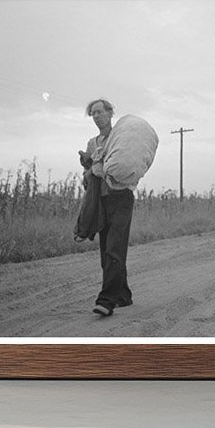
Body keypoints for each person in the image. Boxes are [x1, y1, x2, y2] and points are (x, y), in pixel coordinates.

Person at [79, 98, 136, 317]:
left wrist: (99, 168)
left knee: (114, 249)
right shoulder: (92, 143)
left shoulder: (120, 138)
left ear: (110, 113)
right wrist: (89, 172)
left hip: (121, 198)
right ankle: (123, 295)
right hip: (102, 201)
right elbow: (89, 176)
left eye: (100, 112)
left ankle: (107, 300)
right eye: (93, 113)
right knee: (107, 253)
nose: (96, 116)